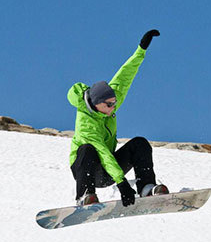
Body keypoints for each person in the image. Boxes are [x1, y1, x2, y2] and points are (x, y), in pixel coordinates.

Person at [67, 29, 168, 206]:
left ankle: (146, 188)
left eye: (115, 103)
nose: (113, 108)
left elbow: (125, 75)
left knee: (140, 143)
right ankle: (85, 196)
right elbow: (103, 153)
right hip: (88, 170)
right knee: (87, 149)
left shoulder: (106, 102)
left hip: (108, 170)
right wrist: (121, 183)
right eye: (109, 105)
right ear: (96, 103)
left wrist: (141, 49)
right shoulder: (86, 122)